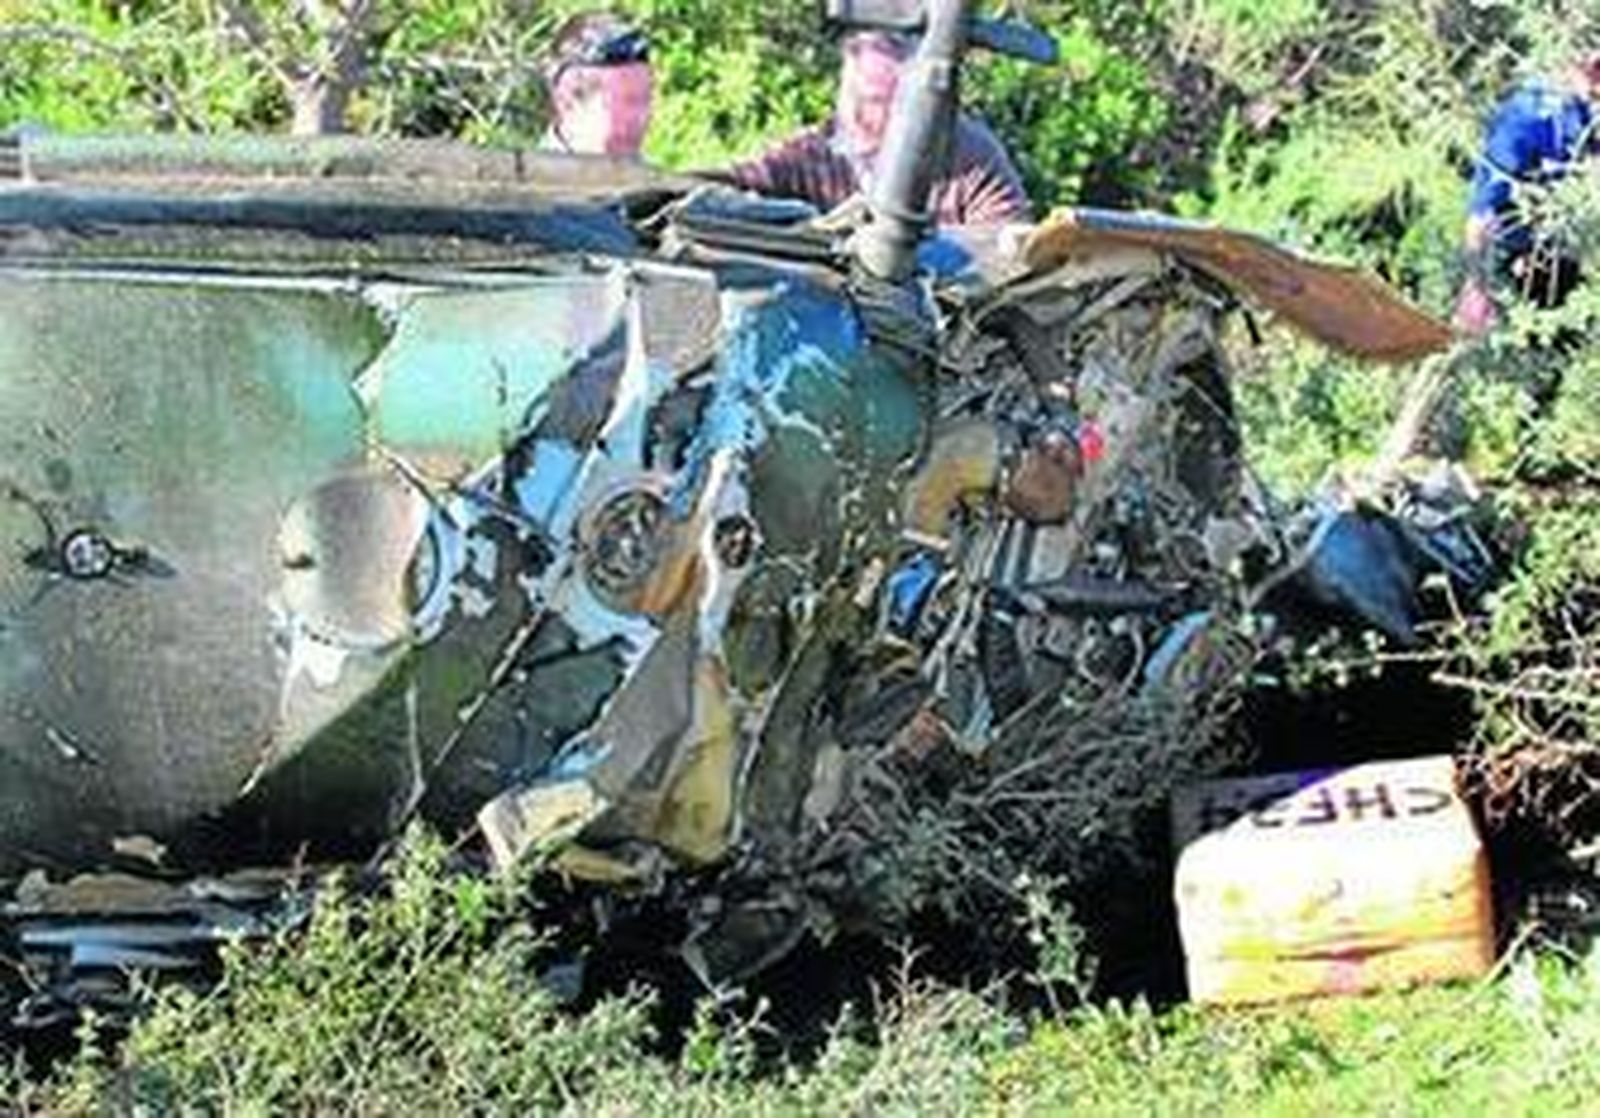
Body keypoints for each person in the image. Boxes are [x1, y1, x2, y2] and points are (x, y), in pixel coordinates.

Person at [722, 29, 1032, 226]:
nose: (863, 118)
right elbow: (726, 185)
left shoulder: (971, 159)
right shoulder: (815, 154)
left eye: (881, 103)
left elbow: (1009, 250)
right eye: (859, 98)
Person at [1454, 52, 1600, 334]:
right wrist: (1474, 286)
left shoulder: (1590, 109)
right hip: (1534, 254)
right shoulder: (1527, 116)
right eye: (1594, 67)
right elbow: (1483, 211)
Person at [540, 12, 654, 158]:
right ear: (567, 101)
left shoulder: (653, 178)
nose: (643, 117)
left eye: (647, 99)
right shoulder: (521, 177)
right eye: (628, 101)